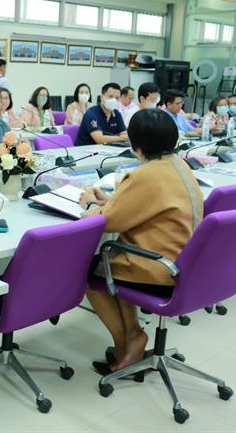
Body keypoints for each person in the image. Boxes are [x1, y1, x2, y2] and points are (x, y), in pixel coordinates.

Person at [79, 108, 203, 373]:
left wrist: (90, 204)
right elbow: (147, 205)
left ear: (135, 145)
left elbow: (109, 222)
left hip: (161, 267)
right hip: (185, 262)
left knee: (91, 274)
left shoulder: (146, 174)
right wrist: (110, 201)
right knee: (115, 262)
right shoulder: (178, 164)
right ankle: (132, 338)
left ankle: (127, 341)